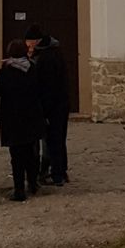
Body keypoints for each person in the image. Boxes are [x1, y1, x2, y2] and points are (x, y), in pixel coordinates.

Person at [0, 38, 45, 200]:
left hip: (12, 119)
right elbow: (40, 90)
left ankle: (19, 189)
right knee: (31, 153)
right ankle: (33, 183)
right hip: (30, 117)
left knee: (16, 156)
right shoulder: (33, 69)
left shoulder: (6, 71)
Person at [25, 24, 70, 186]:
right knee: (59, 139)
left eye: (29, 43)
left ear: (36, 41)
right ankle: (61, 171)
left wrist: (44, 110)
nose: (28, 46)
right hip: (61, 104)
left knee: (53, 140)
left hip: (53, 106)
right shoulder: (54, 52)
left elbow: (48, 87)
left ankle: (56, 174)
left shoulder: (46, 58)